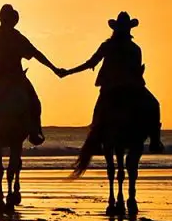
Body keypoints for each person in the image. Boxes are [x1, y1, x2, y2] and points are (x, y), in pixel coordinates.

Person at [58, 11, 163, 154]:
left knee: (99, 111)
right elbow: (137, 71)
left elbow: (91, 63)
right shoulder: (134, 48)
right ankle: (155, 141)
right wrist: (69, 71)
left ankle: (96, 141)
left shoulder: (111, 46)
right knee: (153, 104)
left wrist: (69, 72)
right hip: (131, 87)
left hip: (112, 87)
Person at [0, 4, 60, 146]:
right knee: (34, 101)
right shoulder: (15, 37)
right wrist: (54, 69)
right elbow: (36, 54)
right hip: (13, 79)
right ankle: (35, 131)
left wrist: (54, 68)